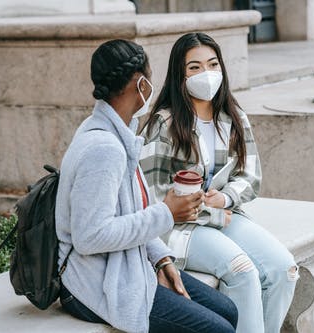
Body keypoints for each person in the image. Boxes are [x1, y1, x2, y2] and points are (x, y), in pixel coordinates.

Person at [55, 39, 238, 333]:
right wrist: (167, 213)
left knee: (228, 310)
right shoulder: (104, 148)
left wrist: (161, 258)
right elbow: (89, 236)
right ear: (141, 85)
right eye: (150, 78)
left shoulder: (115, 131)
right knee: (220, 330)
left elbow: (132, 210)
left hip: (127, 262)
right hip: (91, 283)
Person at [140, 32, 298, 333]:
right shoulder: (164, 122)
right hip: (178, 227)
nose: (207, 74)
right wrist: (211, 212)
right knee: (242, 272)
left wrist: (224, 199)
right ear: (180, 74)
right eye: (195, 67)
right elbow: (151, 192)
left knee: (285, 269)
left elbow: (250, 175)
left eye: (213, 65)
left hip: (224, 214)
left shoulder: (233, 117)